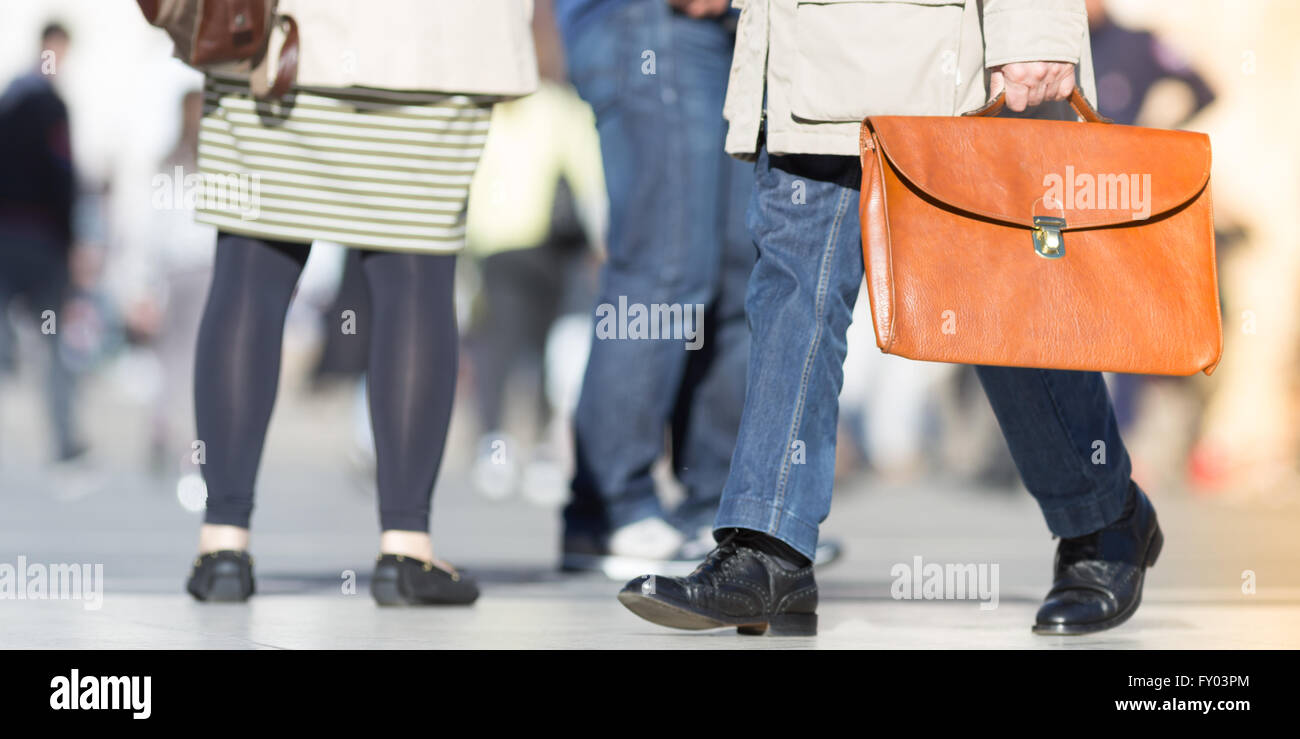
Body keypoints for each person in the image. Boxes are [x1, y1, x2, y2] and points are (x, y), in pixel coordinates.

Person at [618, 0, 1162, 636]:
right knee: (792, 296)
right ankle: (771, 549)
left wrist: (1035, 28)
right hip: (801, 70)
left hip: (940, 67)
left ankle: (1100, 517)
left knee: (994, 305)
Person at [181, 0, 538, 605]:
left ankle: (223, 546)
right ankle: (405, 549)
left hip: (281, 41)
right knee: (417, 274)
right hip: (434, 46)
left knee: (250, 270)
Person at [556, 0, 842, 579]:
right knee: (664, 271)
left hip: (741, 33)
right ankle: (610, 507)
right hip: (651, 23)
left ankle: (712, 507)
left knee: (742, 274)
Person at [0, 22, 85, 464]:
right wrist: (71, 240)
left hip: (11, 236)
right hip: (40, 240)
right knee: (52, 343)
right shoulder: (50, 106)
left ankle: (66, 436)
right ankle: (64, 439)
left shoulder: (9, 100)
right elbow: (63, 176)